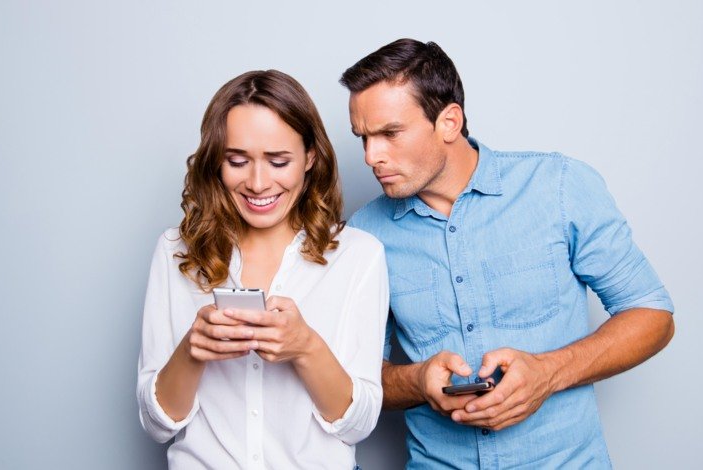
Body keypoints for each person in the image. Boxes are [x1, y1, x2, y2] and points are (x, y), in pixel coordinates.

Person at [341, 39, 675, 468]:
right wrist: (417, 380)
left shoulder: (558, 186)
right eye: (363, 138)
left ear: (449, 122)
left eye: (389, 133)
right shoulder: (364, 234)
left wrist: (548, 372)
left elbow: (653, 315)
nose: (372, 157)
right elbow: (353, 382)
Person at [136, 70, 388, 469]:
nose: (257, 183)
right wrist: (192, 350)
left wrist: (305, 346)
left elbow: (356, 425)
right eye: (237, 161)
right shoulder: (174, 252)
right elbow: (157, 424)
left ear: (310, 158)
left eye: (278, 161)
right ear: (215, 163)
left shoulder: (358, 256)